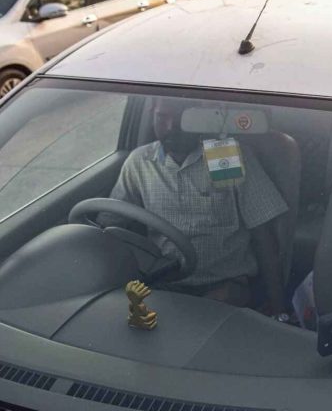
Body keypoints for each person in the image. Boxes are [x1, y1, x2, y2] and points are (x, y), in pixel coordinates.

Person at [103, 100, 288, 310]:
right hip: (163, 284)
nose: (171, 127)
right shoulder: (141, 162)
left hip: (224, 285)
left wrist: (277, 306)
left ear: (202, 120)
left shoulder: (222, 157)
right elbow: (110, 224)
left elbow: (262, 233)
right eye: (162, 118)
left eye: (184, 119)